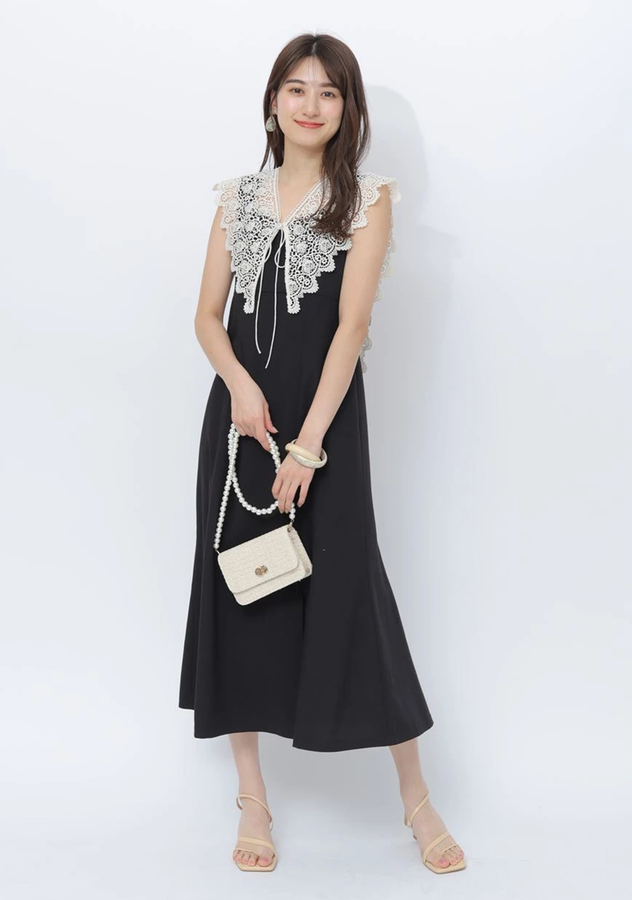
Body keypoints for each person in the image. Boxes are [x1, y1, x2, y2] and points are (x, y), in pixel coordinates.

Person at [178, 32, 466, 875]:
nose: (311, 105)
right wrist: (239, 386)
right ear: (273, 101)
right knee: (240, 593)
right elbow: (206, 317)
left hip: (325, 428)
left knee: (351, 591)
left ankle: (416, 798)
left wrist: (307, 447)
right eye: (297, 88)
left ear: (348, 109)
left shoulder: (365, 200)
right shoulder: (235, 198)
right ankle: (253, 799)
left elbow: (352, 328)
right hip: (239, 424)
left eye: (329, 92)